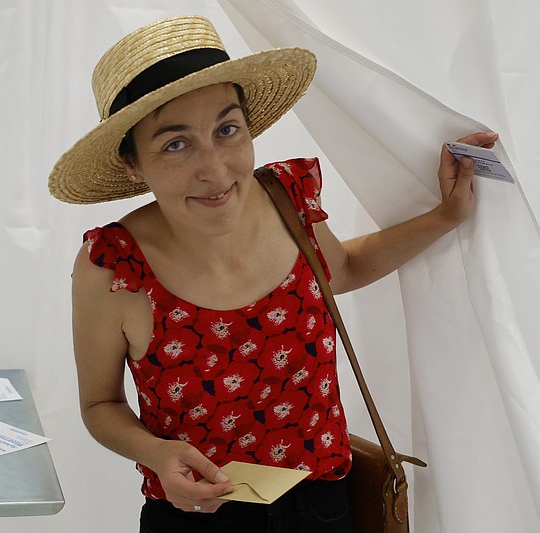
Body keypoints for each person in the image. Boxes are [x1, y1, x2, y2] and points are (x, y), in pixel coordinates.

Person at [48, 15, 498, 533]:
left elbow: (343, 267)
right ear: (132, 164)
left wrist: (445, 218)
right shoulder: (114, 267)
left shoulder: (289, 198)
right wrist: (155, 452)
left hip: (325, 505)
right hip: (197, 517)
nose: (215, 170)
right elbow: (99, 403)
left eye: (227, 130)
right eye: (176, 143)